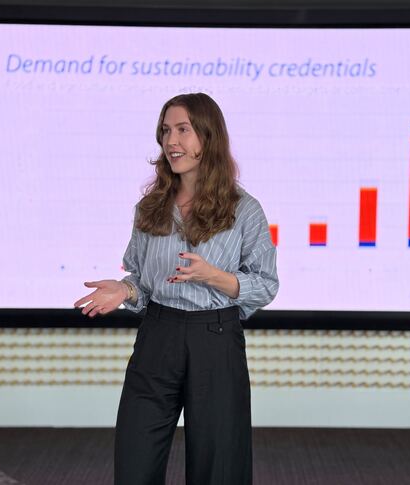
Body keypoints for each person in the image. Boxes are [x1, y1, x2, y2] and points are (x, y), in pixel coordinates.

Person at [73, 92, 279, 485]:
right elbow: (140, 279)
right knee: (134, 461)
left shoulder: (244, 209)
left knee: (219, 469)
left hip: (215, 338)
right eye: (166, 131)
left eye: (183, 130)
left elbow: (266, 285)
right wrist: (125, 290)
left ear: (207, 136)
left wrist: (214, 276)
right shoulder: (150, 206)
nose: (172, 141)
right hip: (158, 335)